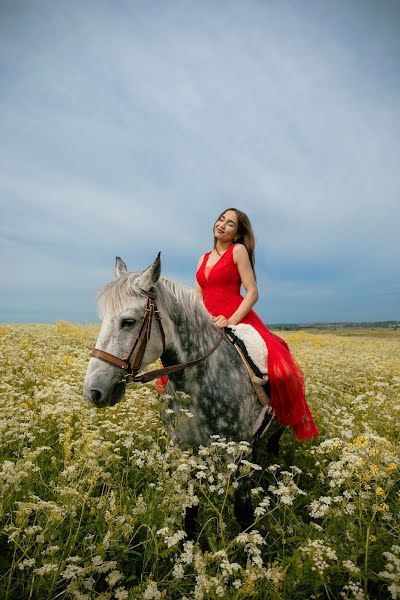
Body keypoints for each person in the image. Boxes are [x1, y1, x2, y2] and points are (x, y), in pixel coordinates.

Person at [156, 207, 318, 441]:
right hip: (206, 318)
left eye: (230, 223)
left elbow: (252, 293)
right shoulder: (202, 258)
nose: (222, 224)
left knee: (277, 368)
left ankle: (269, 416)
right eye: (221, 219)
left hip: (235, 316)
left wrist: (230, 320)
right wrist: (197, 318)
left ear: (237, 234)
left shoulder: (238, 250)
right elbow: (197, 296)